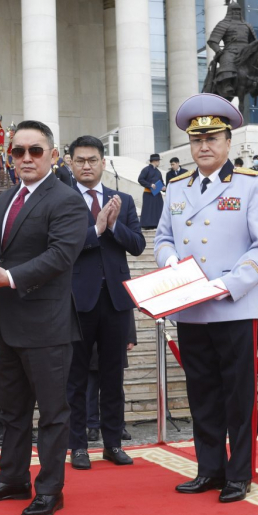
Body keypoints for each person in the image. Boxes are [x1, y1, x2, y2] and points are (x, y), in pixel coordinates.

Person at [153, 93, 258, 503]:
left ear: (228, 142)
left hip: (233, 305)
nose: (203, 146)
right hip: (190, 309)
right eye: (196, 139)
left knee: (237, 395)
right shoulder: (176, 187)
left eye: (212, 138)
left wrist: (230, 284)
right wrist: (172, 263)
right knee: (201, 392)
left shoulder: (250, 183)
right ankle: (209, 468)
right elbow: (162, 239)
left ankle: (238, 473)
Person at [0, 119, 84, 515]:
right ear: (10, 156)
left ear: (53, 155)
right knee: (12, 413)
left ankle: (50, 489)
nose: (26, 158)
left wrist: (12, 278)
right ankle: (12, 478)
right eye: (18, 151)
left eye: (35, 150)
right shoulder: (2, 200)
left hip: (47, 326)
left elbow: (61, 255)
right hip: (7, 326)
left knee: (52, 413)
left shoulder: (66, 199)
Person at [65, 135, 145, 470]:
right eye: (80, 160)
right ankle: (78, 446)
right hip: (75, 302)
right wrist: (95, 230)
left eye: (93, 159)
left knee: (113, 378)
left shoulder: (122, 200)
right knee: (76, 378)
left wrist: (112, 227)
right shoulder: (61, 200)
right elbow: (60, 247)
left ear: (102, 162)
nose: (87, 166)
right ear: (69, 163)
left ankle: (112, 443)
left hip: (114, 302)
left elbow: (138, 244)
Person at [137, 153, 164, 230]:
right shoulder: (146, 169)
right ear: (155, 161)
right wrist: (150, 185)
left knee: (158, 208)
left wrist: (163, 187)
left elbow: (161, 182)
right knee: (148, 209)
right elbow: (140, 179)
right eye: (158, 161)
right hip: (148, 193)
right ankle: (147, 224)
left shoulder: (158, 172)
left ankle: (158, 224)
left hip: (157, 193)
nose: (159, 162)